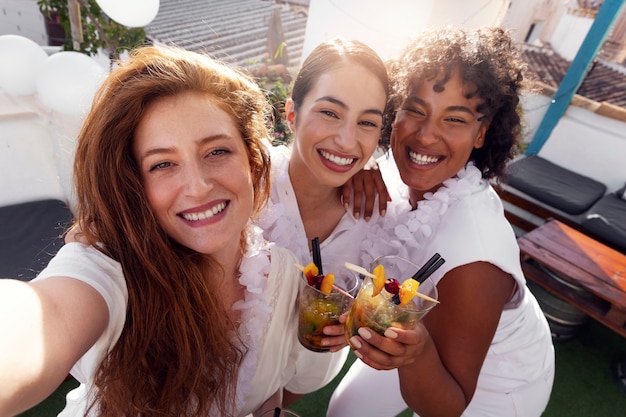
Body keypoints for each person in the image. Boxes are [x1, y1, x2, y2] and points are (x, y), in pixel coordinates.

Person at [0, 46, 341, 417]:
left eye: (216, 152)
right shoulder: (107, 271)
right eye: (162, 163)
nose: (197, 186)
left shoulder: (286, 278)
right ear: (133, 184)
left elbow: (276, 392)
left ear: (252, 161)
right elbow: (46, 315)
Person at [327, 26, 555, 417]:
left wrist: (416, 356)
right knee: (345, 411)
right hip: (416, 333)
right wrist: (359, 169)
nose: (426, 136)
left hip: (497, 386)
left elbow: (447, 406)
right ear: (394, 112)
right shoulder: (394, 173)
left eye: (454, 119)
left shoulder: (475, 258)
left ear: (481, 133)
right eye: (414, 110)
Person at [258, 37, 389, 350]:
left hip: (309, 372)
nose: (346, 141)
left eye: (367, 122)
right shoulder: (248, 181)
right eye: (330, 113)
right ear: (292, 115)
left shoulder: (376, 219)